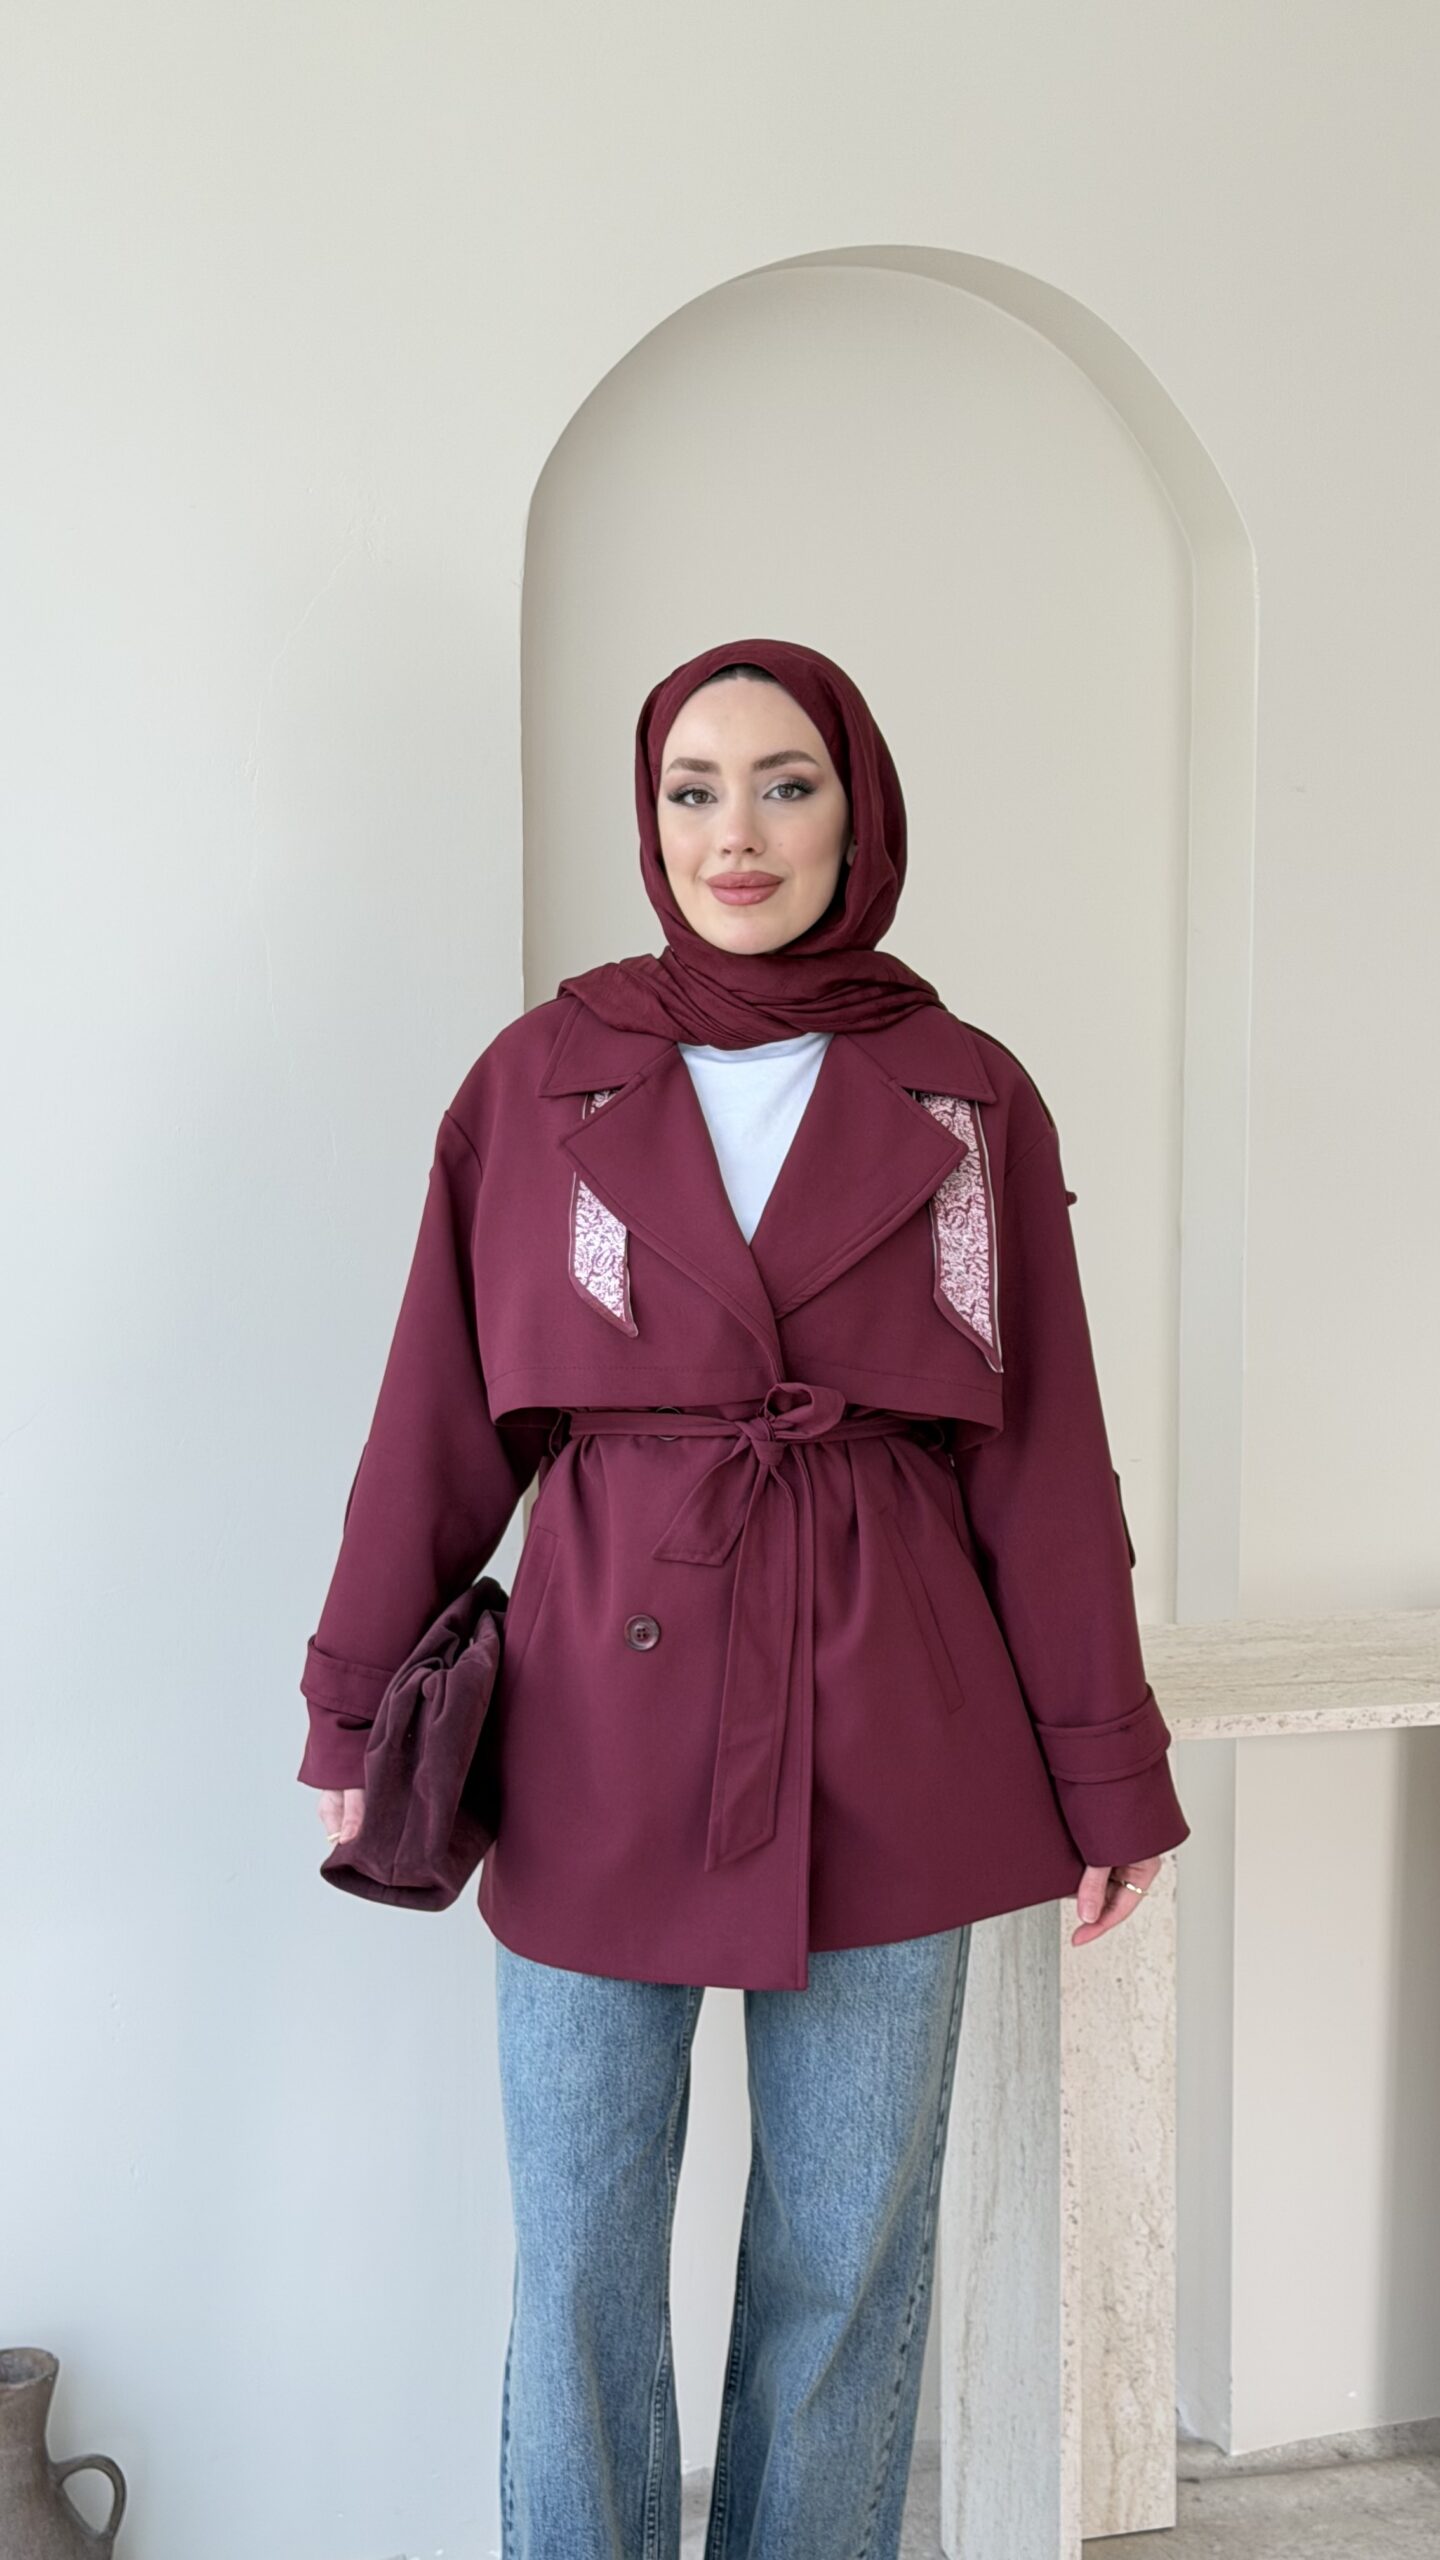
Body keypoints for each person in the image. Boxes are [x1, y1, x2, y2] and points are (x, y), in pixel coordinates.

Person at [297, 636, 1192, 2559]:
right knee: (581, 2257)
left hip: (898, 1718)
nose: (737, 832)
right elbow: (435, 1419)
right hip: (594, 1724)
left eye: (786, 783)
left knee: (845, 2264)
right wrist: (356, 1709)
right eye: (692, 789)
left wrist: (1109, 1769)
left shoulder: (967, 1098)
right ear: (649, 818)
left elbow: (1046, 1461)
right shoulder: (539, 1081)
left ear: (858, 809)